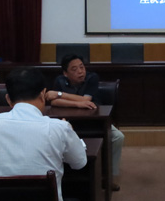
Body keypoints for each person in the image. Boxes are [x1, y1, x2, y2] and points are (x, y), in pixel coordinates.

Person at [0, 67, 87, 201]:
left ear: (8, 99)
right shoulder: (59, 127)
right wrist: (71, 133)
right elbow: (79, 163)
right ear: (43, 95)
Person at [45, 54, 124, 192]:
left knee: (118, 137)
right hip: (68, 122)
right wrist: (77, 103)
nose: (80, 71)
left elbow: (85, 100)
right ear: (65, 73)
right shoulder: (59, 80)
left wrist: (60, 94)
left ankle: (108, 177)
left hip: (94, 121)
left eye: (82, 67)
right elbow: (54, 102)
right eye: (74, 69)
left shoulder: (92, 78)